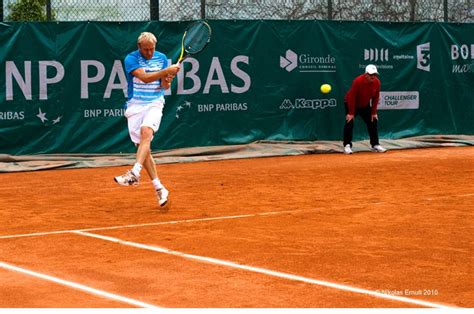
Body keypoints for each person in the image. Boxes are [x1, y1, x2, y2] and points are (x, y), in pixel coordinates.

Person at [114, 32, 180, 208]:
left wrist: (168, 79)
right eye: (146, 50)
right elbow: (144, 77)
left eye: (152, 49)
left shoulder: (162, 58)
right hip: (135, 106)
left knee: (146, 134)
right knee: (143, 149)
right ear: (139, 47)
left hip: (154, 103)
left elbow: (164, 86)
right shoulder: (131, 59)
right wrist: (167, 71)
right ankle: (160, 188)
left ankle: (134, 173)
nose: (150, 53)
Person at [342, 64, 387, 154]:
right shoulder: (357, 81)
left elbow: (376, 98)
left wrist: (373, 112)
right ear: (366, 74)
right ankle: (347, 145)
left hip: (364, 105)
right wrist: (351, 113)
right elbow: (351, 96)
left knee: (373, 121)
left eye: (375, 75)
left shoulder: (377, 82)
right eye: (371, 75)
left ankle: (375, 145)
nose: (373, 77)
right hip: (352, 103)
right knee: (349, 122)